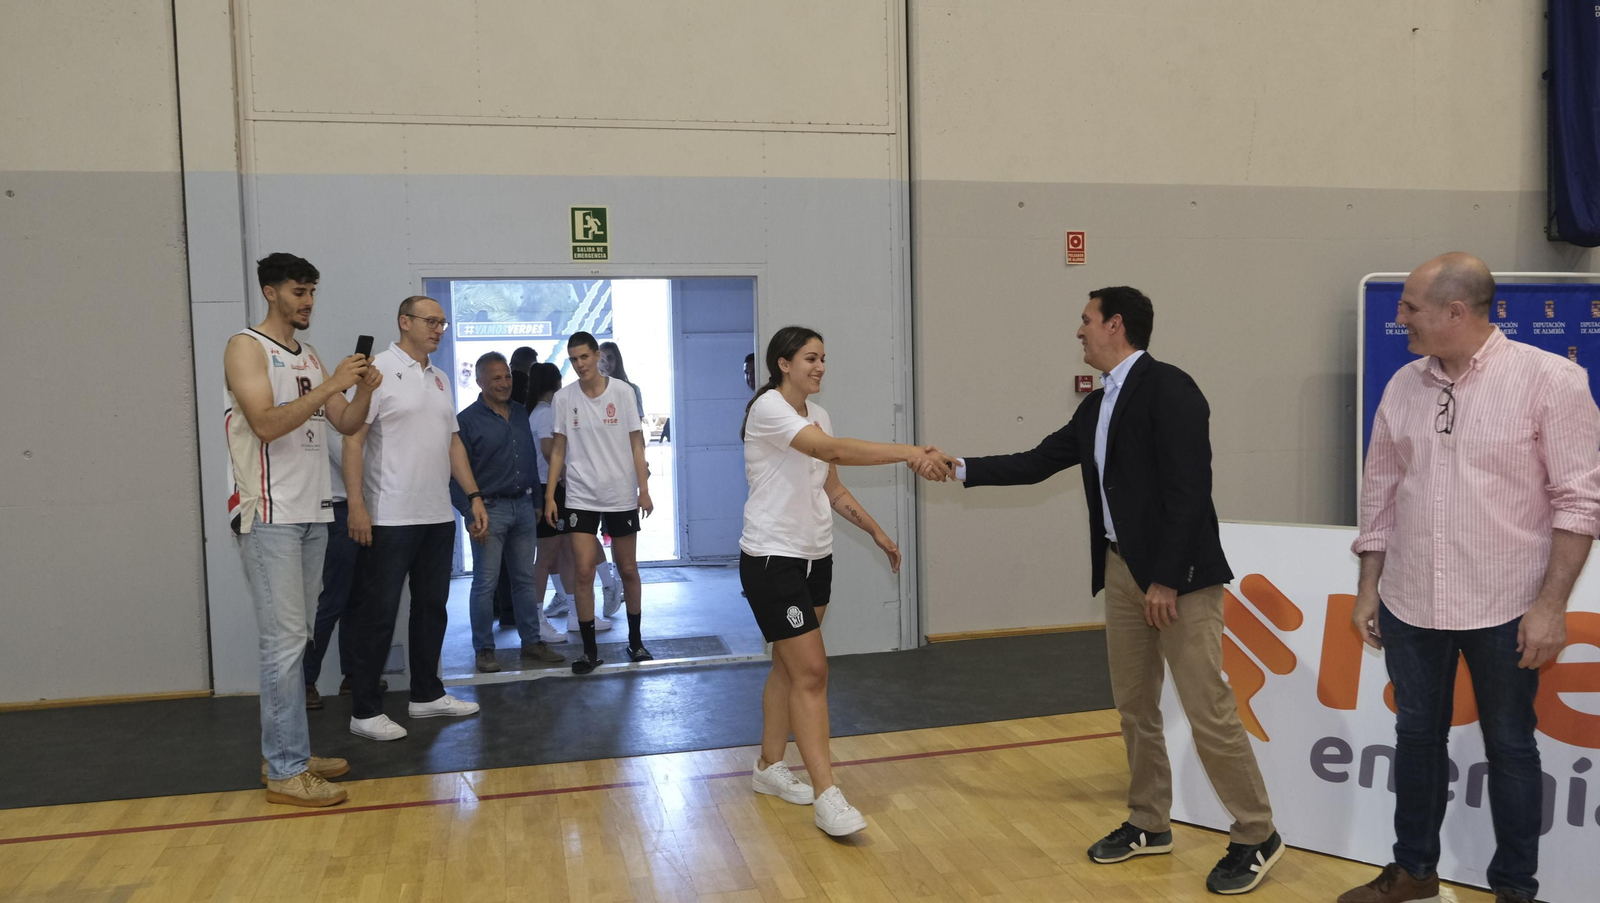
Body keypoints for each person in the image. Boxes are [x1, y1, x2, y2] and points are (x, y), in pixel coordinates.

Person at [914, 286, 1282, 895]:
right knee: (1135, 705)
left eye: (1085, 320)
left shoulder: (1171, 388)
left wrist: (1165, 576)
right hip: (1120, 573)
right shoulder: (1097, 406)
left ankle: (1256, 833)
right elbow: (1037, 461)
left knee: (1207, 707)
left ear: (1116, 325)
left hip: (1178, 578)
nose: (1078, 331)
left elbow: (1191, 491)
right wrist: (957, 468)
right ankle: (1149, 821)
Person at [1339, 253, 1600, 903]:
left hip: (1508, 604)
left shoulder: (1552, 380)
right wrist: (1370, 584)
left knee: (1511, 746)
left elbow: (1579, 501)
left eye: (1411, 307)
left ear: (1456, 312)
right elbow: (1382, 492)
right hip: (1410, 600)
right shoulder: (1404, 384)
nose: (1400, 318)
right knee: (1415, 736)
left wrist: (1550, 606)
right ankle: (1415, 870)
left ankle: (1514, 886)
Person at [739, 326, 947, 837]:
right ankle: (827, 795)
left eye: (824, 359)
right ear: (783, 363)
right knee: (812, 673)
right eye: (811, 358)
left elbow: (831, 484)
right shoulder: (768, 409)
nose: (820, 367)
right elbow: (835, 452)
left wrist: (876, 531)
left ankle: (768, 767)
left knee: (788, 670)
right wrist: (908, 451)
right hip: (773, 559)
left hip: (816, 558)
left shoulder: (820, 415)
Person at [223, 252, 381, 807]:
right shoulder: (246, 347)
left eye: (312, 290)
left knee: (299, 638)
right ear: (271, 293)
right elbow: (266, 424)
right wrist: (327, 384)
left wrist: (359, 388)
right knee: (284, 642)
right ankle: (286, 769)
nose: (307, 301)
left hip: (313, 513)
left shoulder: (308, 354)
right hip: (269, 515)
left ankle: (287, 750)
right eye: (297, 291)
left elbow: (346, 423)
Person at [343, 296, 489, 741]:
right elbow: (352, 441)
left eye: (442, 322)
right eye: (430, 321)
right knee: (378, 615)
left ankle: (426, 695)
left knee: (431, 610)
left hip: (436, 516)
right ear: (404, 322)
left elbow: (453, 444)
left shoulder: (441, 378)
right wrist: (357, 506)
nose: (438, 329)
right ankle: (364, 711)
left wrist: (473, 497)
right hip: (389, 516)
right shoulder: (377, 371)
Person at [544, 332, 652, 673]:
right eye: (573, 359)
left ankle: (635, 643)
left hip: (620, 492)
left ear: (597, 357)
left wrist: (644, 488)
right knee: (584, 570)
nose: (579, 365)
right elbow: (558, 448)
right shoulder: (564, 398)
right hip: (580, 494)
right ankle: (589, 651)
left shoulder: (623, 392)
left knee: (629, 569)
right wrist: (550, 494)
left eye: (584, 358)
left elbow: (637, 444)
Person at [450, 352, 564, 672]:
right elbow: (455, 473)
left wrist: (539, 501)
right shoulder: (466, 421)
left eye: (507, 377)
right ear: (480, 382)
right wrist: (469, 512)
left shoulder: (518, 413)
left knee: (525, 579)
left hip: (524, 506)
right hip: (489, 510)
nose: (504, 383)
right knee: (485, 584)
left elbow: (529, 461)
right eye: (496, 378)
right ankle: (485, 649)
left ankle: (532, 643)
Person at [527, 362, 579, 639]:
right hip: (550, 487)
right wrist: (566, 478)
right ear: (555, 384)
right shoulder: (544, 414)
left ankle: (575, 612)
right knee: (546, 557)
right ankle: (537, 619)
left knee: (564, 553)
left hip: (551, 486)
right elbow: (549, 452)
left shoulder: (537, 412)